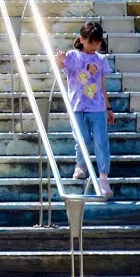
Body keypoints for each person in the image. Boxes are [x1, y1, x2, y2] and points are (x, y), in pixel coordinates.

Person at [55, 21, 115, 198]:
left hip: (97, 108)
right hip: (77, 107)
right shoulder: (73, 56)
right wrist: (59, 61)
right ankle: (81, 165)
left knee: (101, 142)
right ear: (81, 39)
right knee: (82, 139)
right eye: (91, 42)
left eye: (97, 43)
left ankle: (103, 178)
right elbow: (58, 70)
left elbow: (102, 86)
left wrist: (109, 108)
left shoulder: (101, 59)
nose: (94, 46)